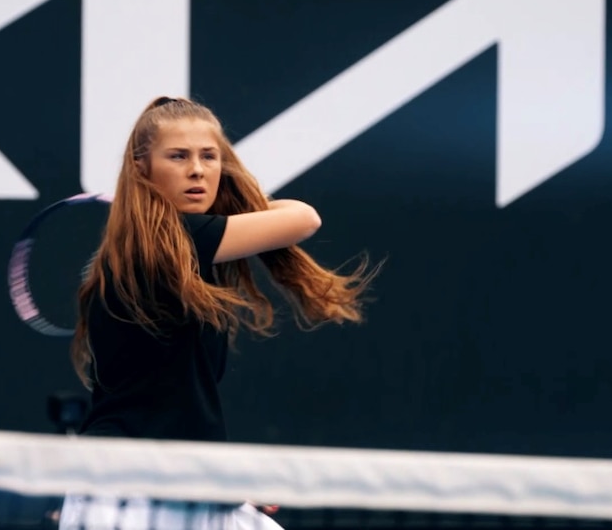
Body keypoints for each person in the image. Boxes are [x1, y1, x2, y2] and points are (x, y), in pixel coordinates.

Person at [58, 96, 376, 530]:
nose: (197, 170)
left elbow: (172, 398)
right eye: (178, 156)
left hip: (183, 481)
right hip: (125, 487)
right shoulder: (169, 244)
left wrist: (220, 478)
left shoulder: (178, 248)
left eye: (210, 156)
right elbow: (304, 218)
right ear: (140, 167)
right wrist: (243, 199)